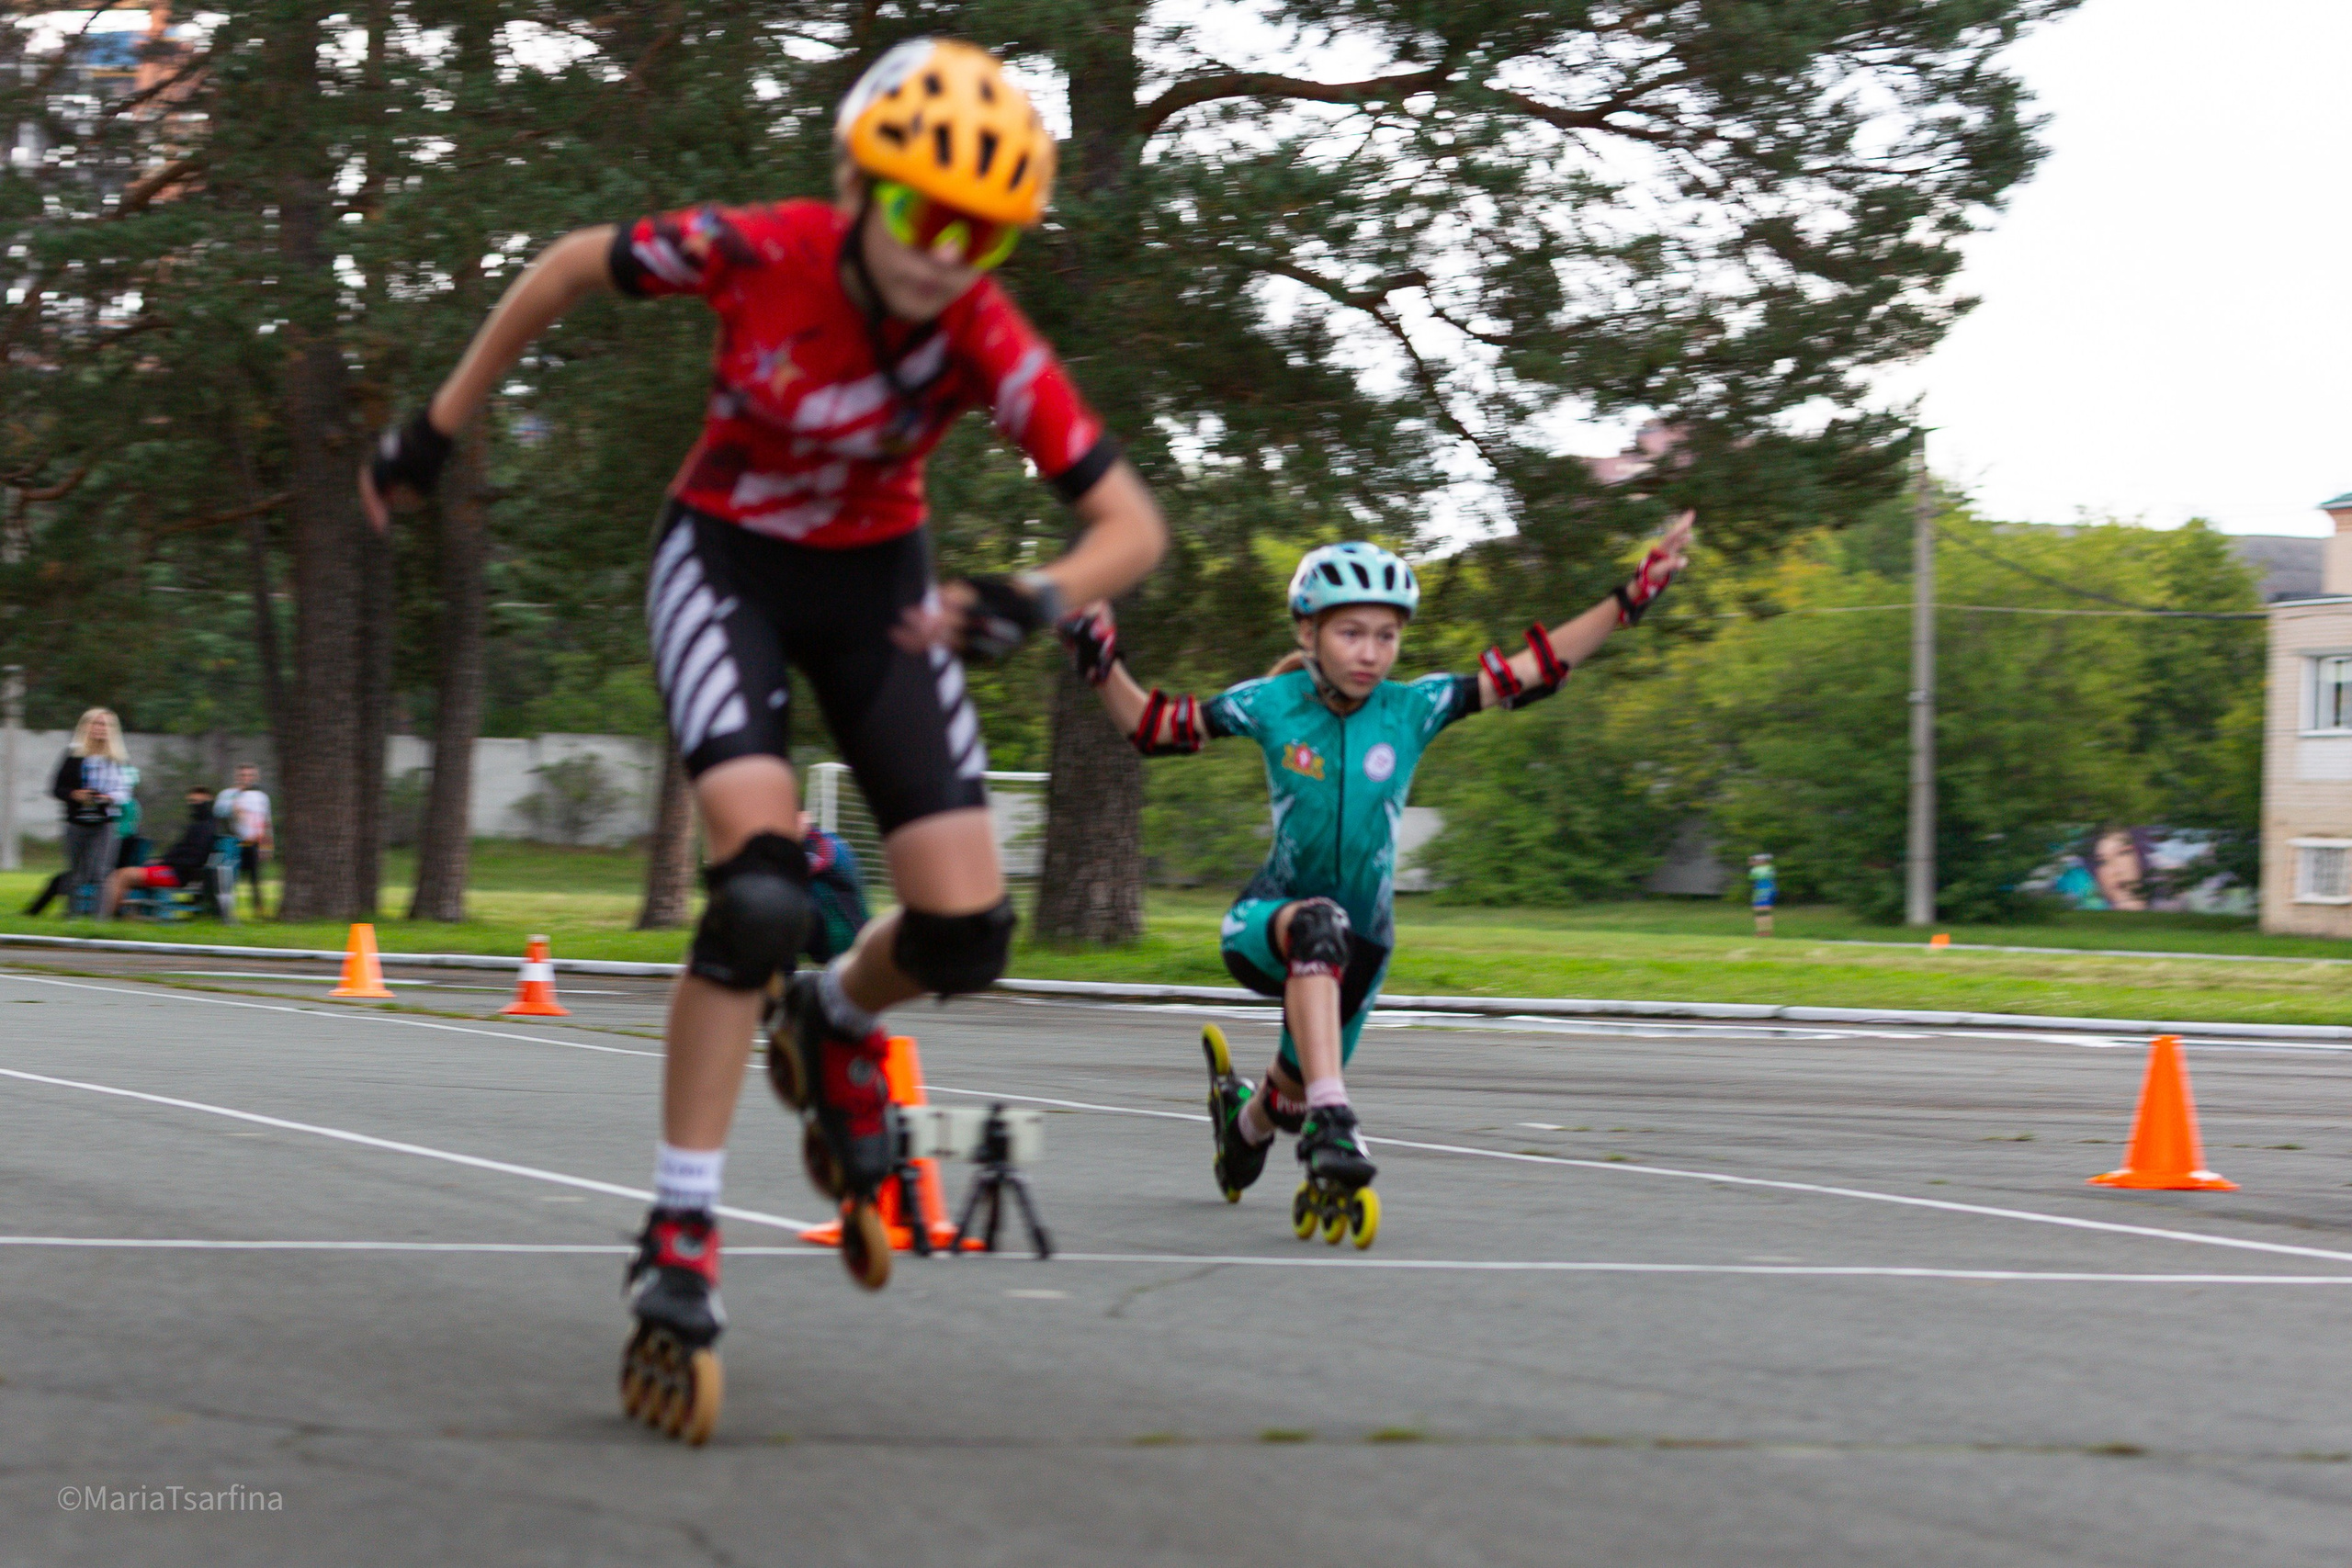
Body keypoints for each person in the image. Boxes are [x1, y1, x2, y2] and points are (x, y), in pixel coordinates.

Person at [359, 38, 1166, 1440]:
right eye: (919, 213)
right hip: (723, 561)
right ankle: (680, 1228)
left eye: (978, 234)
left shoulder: (983, 330)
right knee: (761, 893)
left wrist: (1032, 599)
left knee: (968, 932)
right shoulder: (757, 249)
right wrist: (436, 428)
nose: (940, 255)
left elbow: (1132, 528)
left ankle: (836, 1016)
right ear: (859, 186)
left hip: (879, 592)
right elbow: (561, 265)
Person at [1064, 518, 1693, 1242]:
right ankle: (1337, 1113)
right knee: (1316, 930)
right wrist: (1100, 663)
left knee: (1286, 1099)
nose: (1370, 653)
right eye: (1351, 633)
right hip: (1269, 920)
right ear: (1309, 635)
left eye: (1386, 636)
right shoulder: (1270, 705)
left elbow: (1536, 668)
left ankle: (1243, 1122)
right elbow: (1151, 728)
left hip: (1364, 948)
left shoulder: (1412, 708)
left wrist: (1632, 596)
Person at [27, 708, 133, 918]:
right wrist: (75, 794)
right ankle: (73, 918)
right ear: (86, 727)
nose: (99, 728)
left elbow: (125, 792)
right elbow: (57, 788)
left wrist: (108, 797)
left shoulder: (118, 759)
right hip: (76, 821)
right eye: (95, 724)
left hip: (104, 823)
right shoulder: (73, 755)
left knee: (102, 873)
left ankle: (99, 921)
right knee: (76, 874)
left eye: (104, 724)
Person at [100, 786, 222, 919]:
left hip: (176, 874)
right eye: (191, 801)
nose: (194, 805)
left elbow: (194, 858)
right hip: (171, 869)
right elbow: (182, 852)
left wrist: (165, 861)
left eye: (198, 801)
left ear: (208, 800)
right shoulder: (200, 826)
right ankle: (119, 914)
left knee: (122, 876)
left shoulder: (205, 828)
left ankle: (107, 917)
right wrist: (162, 860)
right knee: (120, 875)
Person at [797, 809, 870, 966]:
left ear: (805, 816)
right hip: (825, 940)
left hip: (848, 940)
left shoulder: (823, 843)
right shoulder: (797, 846)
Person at [215, 763, 273, 917]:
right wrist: (235, 804)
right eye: (243, 776)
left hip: (254, 842)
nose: (246, 779)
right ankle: (226, 912)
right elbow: (219, 812)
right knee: (230, 879)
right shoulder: (228, 794)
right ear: (237, 777)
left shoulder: (261, 797)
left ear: (255, 777)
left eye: (250, 776)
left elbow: (266, 822)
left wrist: (266, 846)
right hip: (234, 843)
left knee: (255, 880)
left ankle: (259, 911)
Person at [1747, 852, 1777, 937]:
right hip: (1771, 889)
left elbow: (1752, 877)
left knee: (1759, 913)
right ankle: (1768, 931)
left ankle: (1760, 932)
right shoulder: (1771, 868)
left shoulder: (1756, 869)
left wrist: (1751, 860)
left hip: (1761, 891)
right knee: (1767, 912)